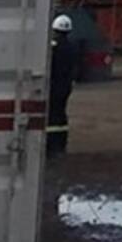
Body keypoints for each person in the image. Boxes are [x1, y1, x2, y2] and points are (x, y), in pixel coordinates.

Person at [47, 15, 77, 155]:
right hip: (66, 85)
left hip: (54, 84)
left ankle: (51, 144)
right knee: (61, 113)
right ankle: (61, 143)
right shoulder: (71, 47)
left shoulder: (53, 47)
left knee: (52, 114)